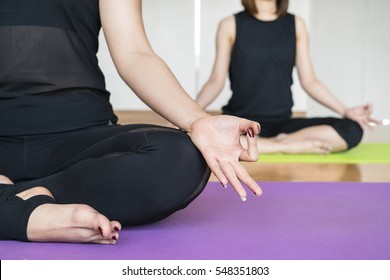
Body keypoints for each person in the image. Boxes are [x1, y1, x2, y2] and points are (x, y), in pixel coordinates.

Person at [0, 0, 262, 244]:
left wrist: (198, 121)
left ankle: (13, 198)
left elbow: (134, 53)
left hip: (78, 139)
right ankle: (27, 217)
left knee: (183, 156)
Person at [196, 0, 377, 154]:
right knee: (205, 135)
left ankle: (277, 143)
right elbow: (215, 81)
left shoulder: (296, 24)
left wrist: (346, 111)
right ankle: (281, 146)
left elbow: (310, 81)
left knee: (352, 130)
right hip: (241, 122)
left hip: (282, 123)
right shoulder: (230, 24)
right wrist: (188, 113)